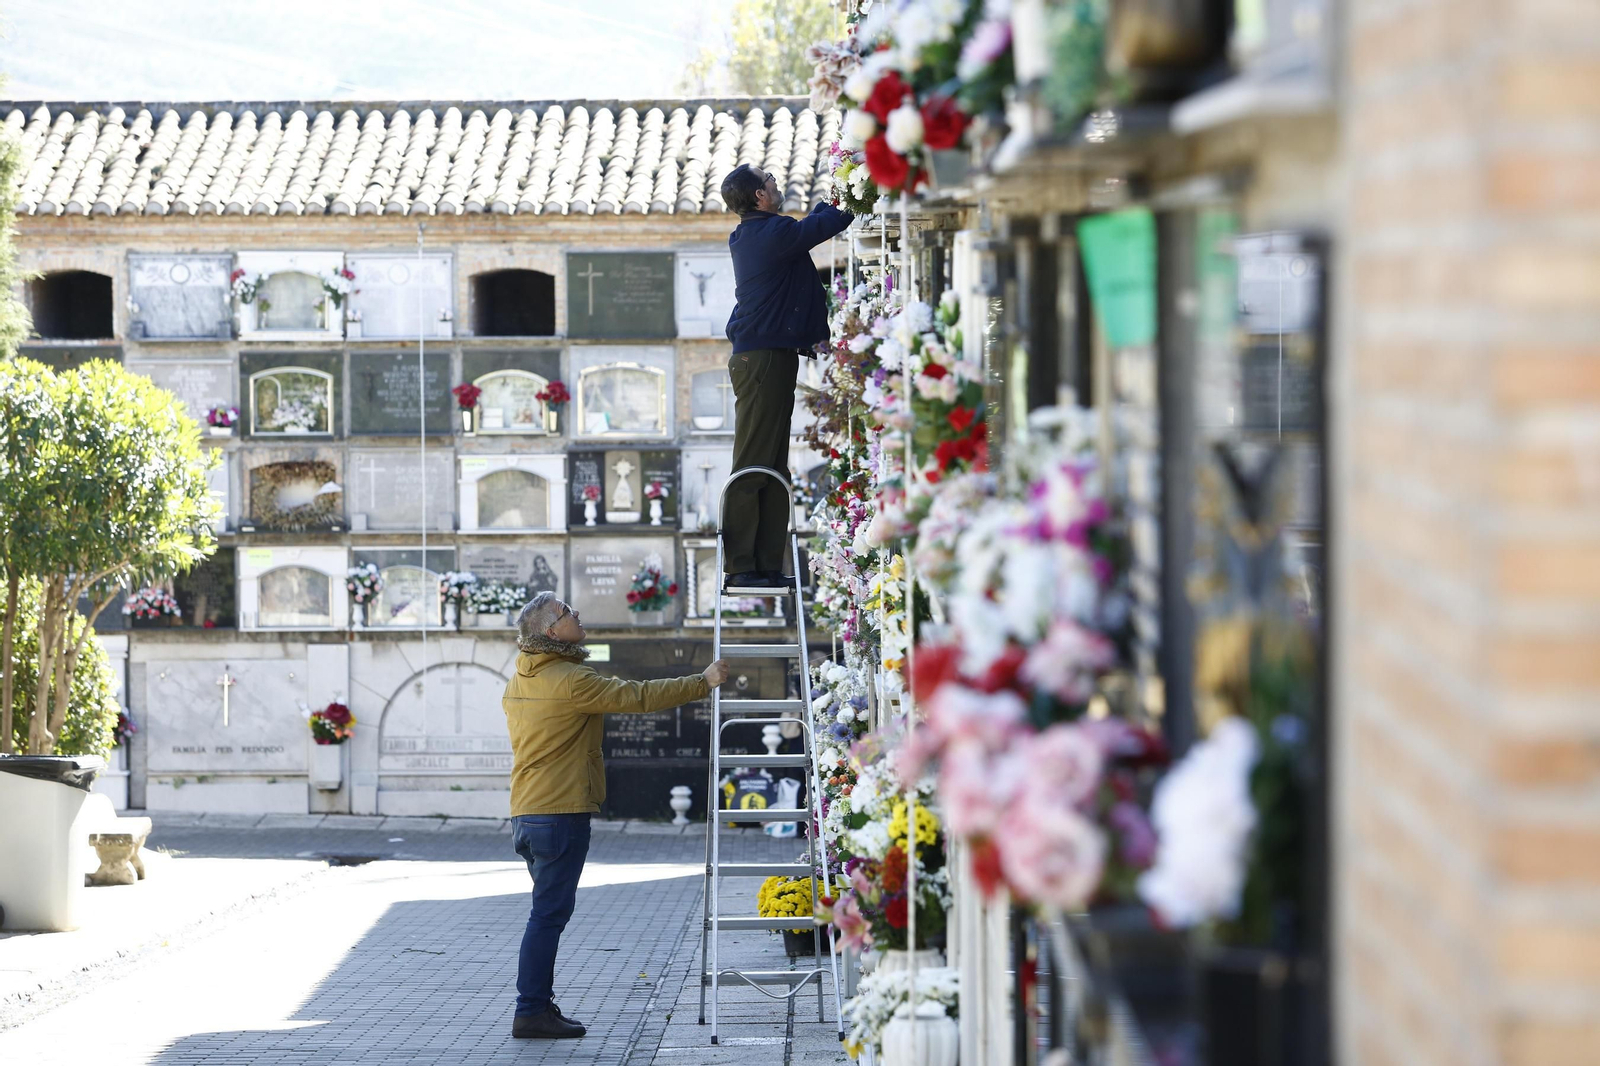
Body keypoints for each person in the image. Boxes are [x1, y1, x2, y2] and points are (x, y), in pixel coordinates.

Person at [502, 591, 729, 1039]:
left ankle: (537, 1005)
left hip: (526, 814)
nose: (578, 614)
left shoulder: (519, 680)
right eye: (568, 612)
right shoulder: (570, 679)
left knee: (545, 914)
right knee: (547, 916)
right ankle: (530, 1011)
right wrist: (702, 682)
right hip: (559, 813)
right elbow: (637, 697)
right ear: (552, 631)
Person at [719, 163, 853, 588]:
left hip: (770, 357)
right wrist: (854, 185)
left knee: (774, 465)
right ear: (759, 195)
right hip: (761, 360)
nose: (777, 184)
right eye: (771, 180)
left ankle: (765, 565)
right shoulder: (769, 235)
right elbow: (828, 222)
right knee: (753, 461)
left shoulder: (762, 233)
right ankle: (741, 565)